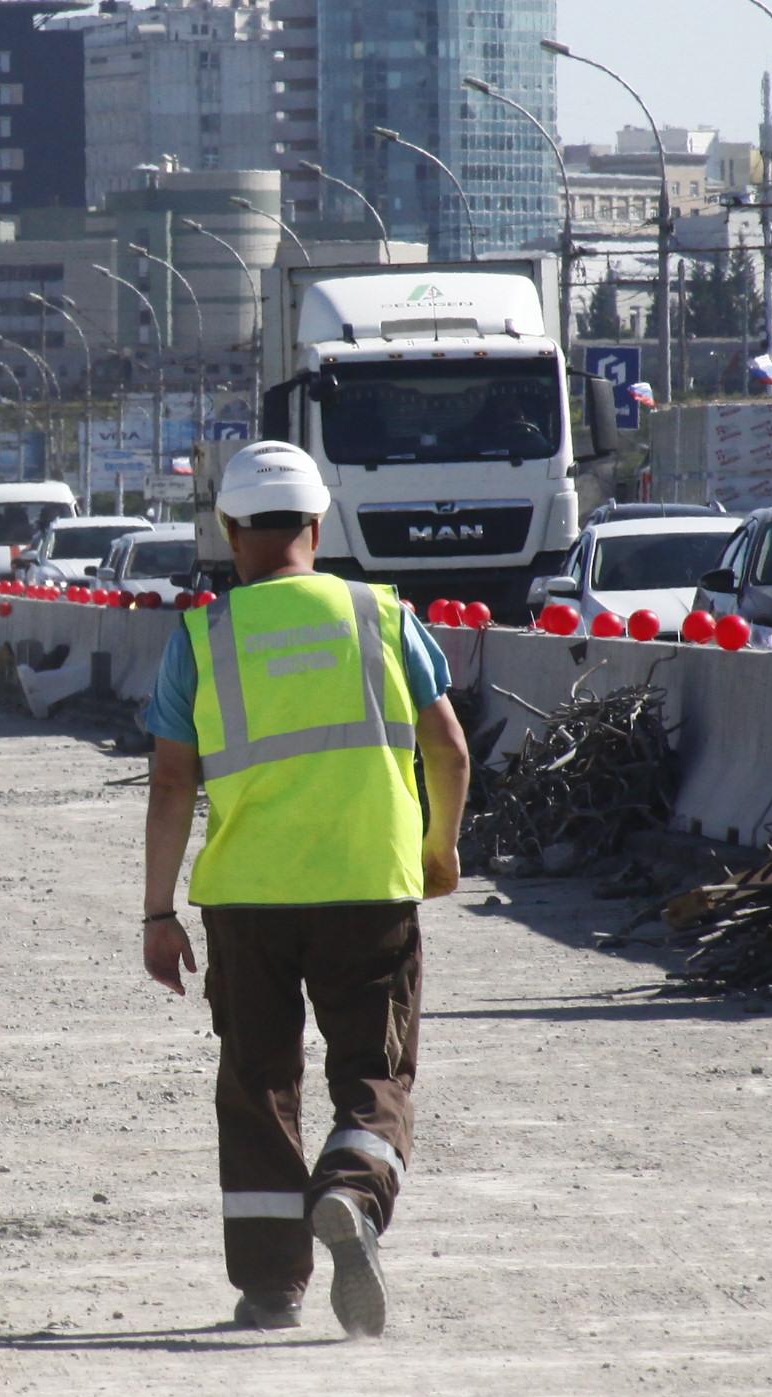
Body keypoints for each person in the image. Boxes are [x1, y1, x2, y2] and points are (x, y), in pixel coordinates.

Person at [136, 441, 470, 1339]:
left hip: (247, 900)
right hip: (369, 887)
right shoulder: (383, 616)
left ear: (228, 529)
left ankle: (270, 1287)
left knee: (257, 1085)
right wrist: (438, 849)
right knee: (374, 1070)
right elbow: (448, 747)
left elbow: (171, 782)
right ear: (319, 523)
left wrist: (159, 911)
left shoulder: (202, 637)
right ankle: (353, 1192)